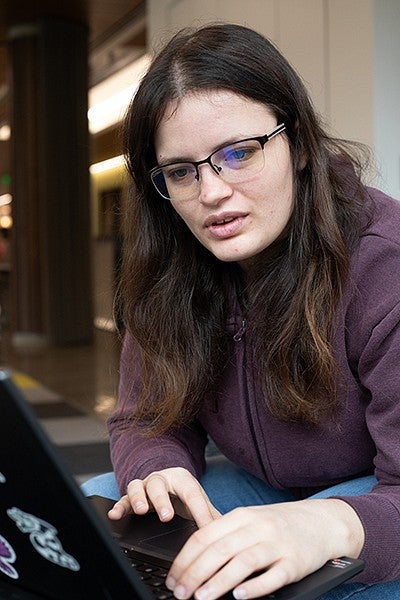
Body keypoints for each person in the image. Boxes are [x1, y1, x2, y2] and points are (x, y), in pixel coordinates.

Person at [82, 23, 400, 600]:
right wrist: (156, 470)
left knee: (323, 578)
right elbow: (143, 419)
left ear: (299, 144)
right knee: (102, 500)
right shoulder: (172, 265)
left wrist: (324, 526)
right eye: (182, 171)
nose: (212, 193)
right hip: (263, 487)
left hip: (379, 498)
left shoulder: (387, 268)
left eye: (238, 154)